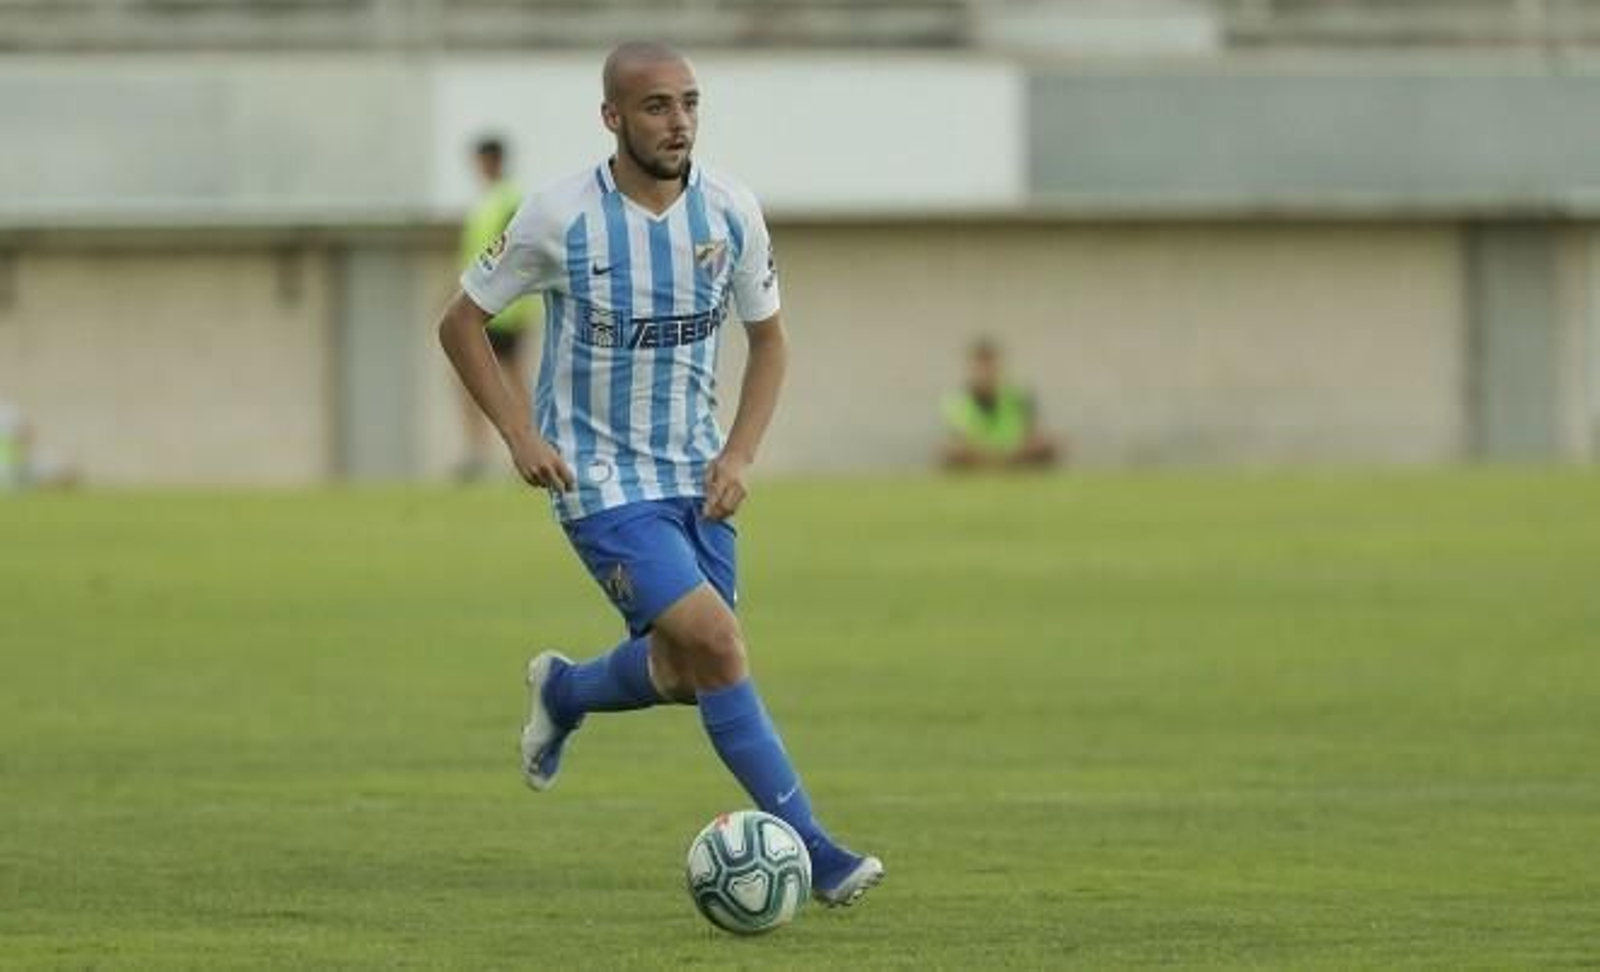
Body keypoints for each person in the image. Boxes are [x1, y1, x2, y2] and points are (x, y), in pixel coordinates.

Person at [436, 41, 884, 908]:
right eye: (655, 106)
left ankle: (564, 688)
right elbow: (460, 324)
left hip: (696, 474)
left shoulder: (731, 211)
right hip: (597, 479)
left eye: (688, 104)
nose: (677, 122)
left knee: (687, 672)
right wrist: (519, 432)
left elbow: (772, 343)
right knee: (718, 645)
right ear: (612, 117)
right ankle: (819, 853)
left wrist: (742, 453)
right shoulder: (556, 216)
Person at [454, 136, 541, 481]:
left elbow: (511, 256)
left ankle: (514, 449)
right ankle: (486, 452)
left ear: (492, 161)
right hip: (487, 304)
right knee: (500, 379)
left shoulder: (508, 200)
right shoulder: (487, 201)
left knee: (500, 379)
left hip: (501, 310)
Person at [939, 337, 1061, 470]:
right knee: (951, 452)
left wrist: (1018, 448)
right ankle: (999, 466)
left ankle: (996, 466)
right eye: (980, 367)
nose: (985, 373)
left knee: (1047, 445)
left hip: (1014, 451)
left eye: (989, 366)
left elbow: (1031, 433)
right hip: (978, 452)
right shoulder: (957, 401)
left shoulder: (1018, 395)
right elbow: (959, 439)